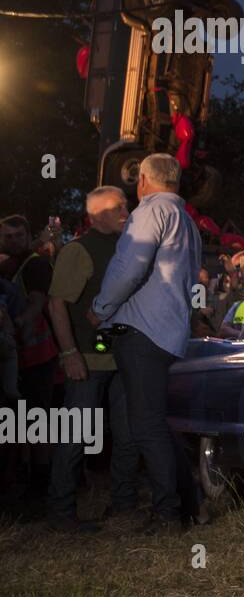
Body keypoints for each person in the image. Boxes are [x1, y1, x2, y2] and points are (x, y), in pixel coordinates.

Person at [90, 154, 203, 534]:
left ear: (142, 180)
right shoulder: (187, 222)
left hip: (143, 331)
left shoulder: (150, 211)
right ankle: (186, 505)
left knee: (147, 425)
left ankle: (169, 513)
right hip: (168, 331)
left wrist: (101, 306)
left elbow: (130, 266)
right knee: (148, 421)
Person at [45, 186, 140, 533]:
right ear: (97, 214)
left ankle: (124, 506)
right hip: (86, 359)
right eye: (119, 208)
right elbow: (57, 304)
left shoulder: (127, 249)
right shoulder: (78, 250)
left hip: (121, 360)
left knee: (128, 435)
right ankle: (61, 513)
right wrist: (69, 353)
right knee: (74, 437)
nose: (126, 212)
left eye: (126, 206)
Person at [0, 214, 60, 501]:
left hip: (37, 355)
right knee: (15, 420)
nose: (13, 241)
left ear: (27, 236)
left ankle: (41, 480)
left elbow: (38, 301)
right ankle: (20, 476)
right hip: (12, 357)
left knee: (37, 419)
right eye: (7, 236)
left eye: (18, 236)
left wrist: (18, 323)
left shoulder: (35, 264)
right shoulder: (4, 266)